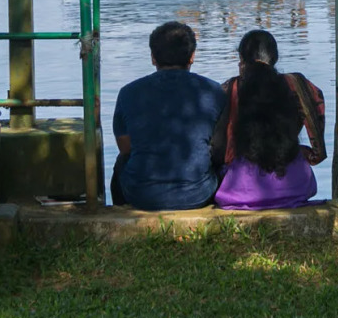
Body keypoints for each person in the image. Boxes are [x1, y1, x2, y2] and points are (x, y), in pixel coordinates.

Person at [110, 21, 226, 210]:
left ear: (153, 57)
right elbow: (220, 146)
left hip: (141, 196)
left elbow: (125, 148)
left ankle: (119, 210)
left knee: (122, 162)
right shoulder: (213, 91)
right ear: (192, 57)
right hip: (198, 194)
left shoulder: (128, 92)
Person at [211, 29, 325, 210]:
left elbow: (220, 149)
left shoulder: (230, 88)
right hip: (295, 186)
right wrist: (301, 152)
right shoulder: (298, 84)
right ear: (275, 58)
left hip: (240, 191)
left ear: (241, 61)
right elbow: (319, 148)